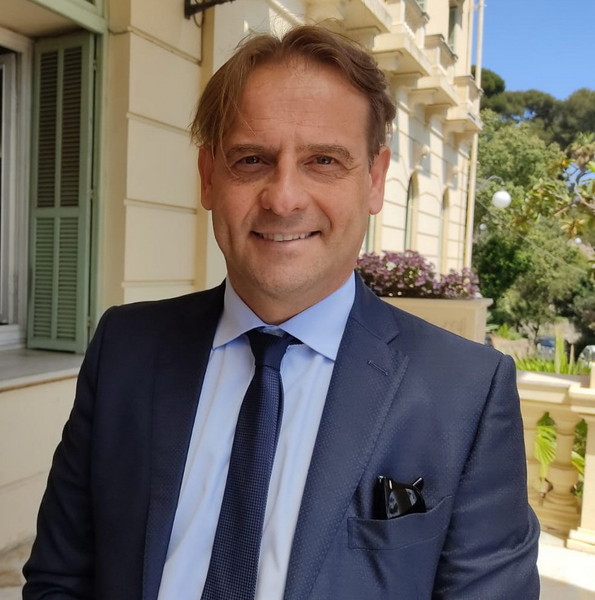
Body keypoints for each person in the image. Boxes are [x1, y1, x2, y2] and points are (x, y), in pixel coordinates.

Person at [23, 25, 540, 599]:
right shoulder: (126, 347)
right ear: (208, 177)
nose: (284, 197)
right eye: (251, 159)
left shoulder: (466, 391)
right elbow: (58, 581)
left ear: (374, 180)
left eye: (324, 160)